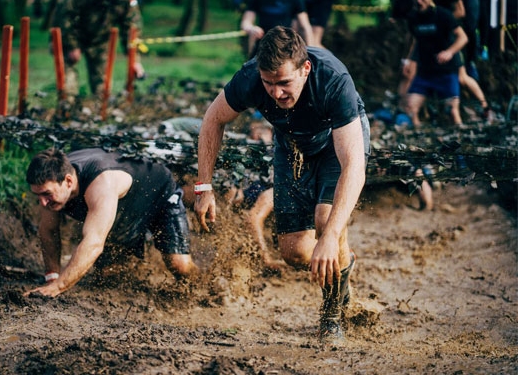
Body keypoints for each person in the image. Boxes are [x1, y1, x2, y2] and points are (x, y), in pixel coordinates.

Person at [194, 26, 370, 341]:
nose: (276, 93)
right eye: (269, 84)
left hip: (336, 142)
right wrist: (203, 186)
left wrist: (328, 236)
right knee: (294, 251)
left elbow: (354, 165)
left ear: (305, 69)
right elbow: (213, 119)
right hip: (291, 144)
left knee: (325, 222)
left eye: (285, 83)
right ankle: (346, 264)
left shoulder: (333, 81)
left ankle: (331, 318)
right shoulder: (249, 78)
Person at [23, 148, 198, 298]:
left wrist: (58, 287)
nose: (43, 203)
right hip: (123, 209)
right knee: (109, 275)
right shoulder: (54, 179)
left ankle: (207, 287)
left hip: (158, 194)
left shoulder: (101, 184)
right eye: (37, 196)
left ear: (69, 181)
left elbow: (93, 244)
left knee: (179, 265)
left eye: (47, 194)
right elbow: (48, 231)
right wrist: (52, 278)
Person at [52, 0, 146, 102]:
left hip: (100, 40)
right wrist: (72, 45)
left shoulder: (126, 2)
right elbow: (65, 17)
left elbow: (131, 28)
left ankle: (99, 110)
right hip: (70, 35)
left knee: (102, 86)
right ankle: (67, 109)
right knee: (67, 83)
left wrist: (135, 60)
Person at [400, 0, 469, 127]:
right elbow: (413, 40)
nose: (419, 2)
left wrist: (449, 52)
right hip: (425, 72)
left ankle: (460, 133)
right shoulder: (413, 17)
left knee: (452, 112)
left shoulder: (444, 15)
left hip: (446, 71)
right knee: (410, 109)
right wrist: (407, 60)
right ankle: (418, 137)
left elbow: (463, 37)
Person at [240, 0, 314, 58]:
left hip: (286, 45)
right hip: (263, 45)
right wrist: (251, 28)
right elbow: (246, 22)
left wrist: (311, 51)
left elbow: (305, 27)